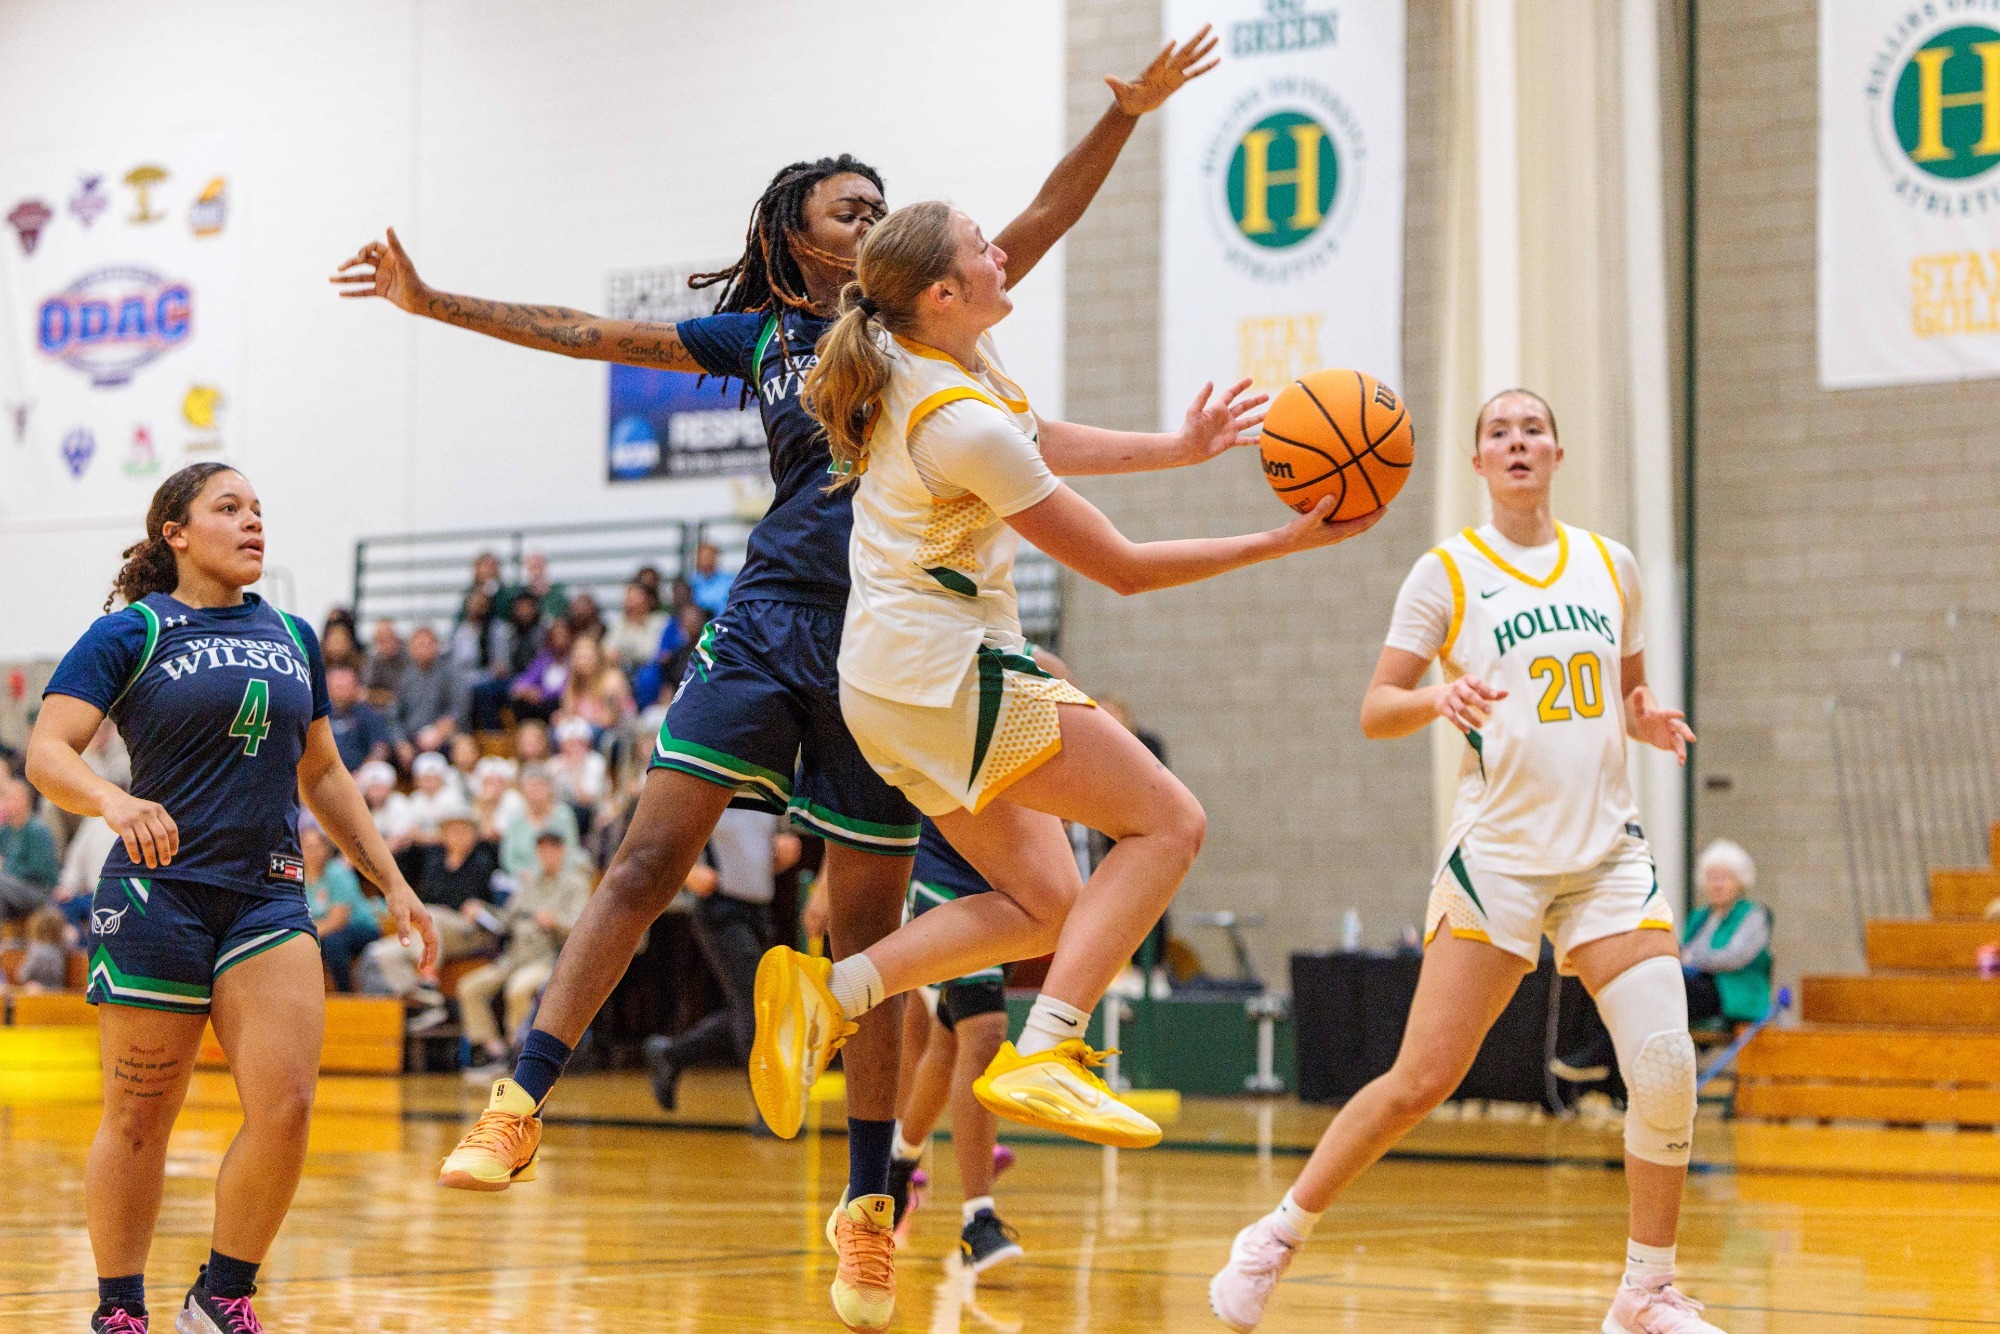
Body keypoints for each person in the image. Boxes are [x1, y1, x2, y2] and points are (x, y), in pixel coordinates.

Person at [333, 35, 1213, 1329]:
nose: (869, 219)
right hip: (766, 626)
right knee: (641, 863)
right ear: (798, 241)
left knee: (865, 937)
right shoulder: (764, 337)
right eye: (846, 207)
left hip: (889, 653)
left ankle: (868, 1210)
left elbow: (1036, 224)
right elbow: (589, 334)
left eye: (880, 205)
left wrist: (1123, 120)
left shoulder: (934, 334)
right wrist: (435, 302)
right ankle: (520, 1101)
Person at [749, 197, 1374, 1157]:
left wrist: (1181, 447)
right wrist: (1282, 542)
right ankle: (1052, 1047)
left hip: (893, 688)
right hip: (946, 673)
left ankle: (835, 990)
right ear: (946, 291)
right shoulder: (953, 420)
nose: (1003, 253)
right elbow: (1121, 569)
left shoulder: (945, 365)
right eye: (980, 247)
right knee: (1169, 823)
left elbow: (1036, 433)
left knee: (1046, 902)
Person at [1205, 389, 1713, 1334]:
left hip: (1608, 852)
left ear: (1558, 450)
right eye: (1496, 432)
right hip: (1502, 856)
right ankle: (1275, 1235)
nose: (1516, 441)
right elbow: (1375, 707)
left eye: (1531, 428)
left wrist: (1643, 719)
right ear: (1478, 463)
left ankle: (1647, 1292)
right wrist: (1438, 699)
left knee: (1666, 1060)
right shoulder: (1447, 573)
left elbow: (1628, 693)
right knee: (1422, 1080)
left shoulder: (1614, 566)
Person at [24, 462, 436, 1334]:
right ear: (176, 531)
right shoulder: (132, 630)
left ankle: (221, 1296)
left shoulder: (291, 631)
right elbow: (47, 751)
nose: (253, 523)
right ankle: (120, 1309)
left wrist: (392, 882)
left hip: (268, 896)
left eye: (259, 511)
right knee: (139, 1115)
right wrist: (113, 800)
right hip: (155, 895)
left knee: (286, 1109)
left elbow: (321, 771)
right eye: (229, 508)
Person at [884, 820, 1025, 1273]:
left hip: (1007, 875)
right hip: (942, 867)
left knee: (949, 1041)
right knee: (983, 1030)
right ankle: (977, 1220)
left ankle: (898, 1164)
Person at [640, 808, 799, 1110]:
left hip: (761, 911)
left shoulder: (768, 787)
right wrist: (687, 872)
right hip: (720, 910)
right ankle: (768, 1108)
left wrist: (780, 852)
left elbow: (762, 848)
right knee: (756, 1005)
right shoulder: (714, 778)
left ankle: (672, 1054)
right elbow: (660, 836)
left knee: (758, 1007)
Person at [452, 829, 591, 1088]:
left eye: (552, 848)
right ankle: (496, 1051)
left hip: (545, 958)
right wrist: (482, 910)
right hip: (513, 957)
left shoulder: (575, 884)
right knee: (469, 987)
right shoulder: (528, 884)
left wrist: (554, 922)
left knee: (519, 989)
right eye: (542, 849)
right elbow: (505, 919)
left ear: (562, 851)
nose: (547, 854)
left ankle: (519, 1057)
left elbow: (582, 930)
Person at [302, 820, 386, 992]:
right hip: (320, 932)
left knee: (333, 942)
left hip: (360, 927)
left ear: (326, 849)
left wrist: (304, 936)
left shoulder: (337, 872)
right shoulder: (298, 877)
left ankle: (345, 995)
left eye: (317, 846)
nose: (312, 852)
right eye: (307, 847)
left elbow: (338, 921)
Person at [393, 624, 469, 757]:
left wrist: (439, 732)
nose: (424, 650)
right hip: (412, 739)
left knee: (464, 748)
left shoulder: (451, 673)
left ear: (437, 646)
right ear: (411, 649)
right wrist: (401, 742)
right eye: (419, 646)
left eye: (428, 645)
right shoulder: (405, 677)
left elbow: (458, 709)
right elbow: (394, 715)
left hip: (445, 737)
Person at [0, 775, 61, 927]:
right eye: (4, 798)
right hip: (12, 889)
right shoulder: (5, 831)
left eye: (12, 798)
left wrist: (6, 867)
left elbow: (39, 871)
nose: (6, 803)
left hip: (39, 891)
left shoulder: (37, 830)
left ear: (25, 800)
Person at [499, 765, 580, 878]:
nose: (535, 790)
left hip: (559, 879)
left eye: (540, 785)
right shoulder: (515, 819)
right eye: (531, 785)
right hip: (522, 880)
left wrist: (554, 875)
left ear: (550, 788)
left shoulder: (564, 815)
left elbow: (571, 852)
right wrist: (523, 873)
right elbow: (508, 858)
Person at [327, 665, 395, 772]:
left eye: (347, 687)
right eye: (338, 687)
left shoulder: (367, 713)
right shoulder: (317, 715)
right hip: (323, 774)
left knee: (382, 772)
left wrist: (366, 767)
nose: (342, 692)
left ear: (356, 688)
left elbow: (380, 747)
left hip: (360, 773)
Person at [606, 581, 668, 677]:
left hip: (653, 673)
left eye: (636, 596)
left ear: (649, 599)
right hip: (624, 673)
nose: (631, 599)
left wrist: (624, 654)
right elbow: (608, 650)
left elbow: (651, 652)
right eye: (629, 596)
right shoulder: (620, 624)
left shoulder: (660, 621)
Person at [17, 904, 73, 990]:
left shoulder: (36, 950)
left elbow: (22, 975)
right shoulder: (61, 949)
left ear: (36, 927)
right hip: (58, 991)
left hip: (39, 993)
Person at [361, 619, 407, 702]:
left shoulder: (410, 657)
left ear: (397, 637)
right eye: (381, 640)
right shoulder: (373, 658)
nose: (387, 644)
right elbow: (365, 690)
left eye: (390, 638)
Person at [687, 541, 733, 616]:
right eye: (703, 558)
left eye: (710, 557)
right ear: (697, 560)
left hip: (722, 623)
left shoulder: (728, 581)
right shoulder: (691, 581)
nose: (707, 561)